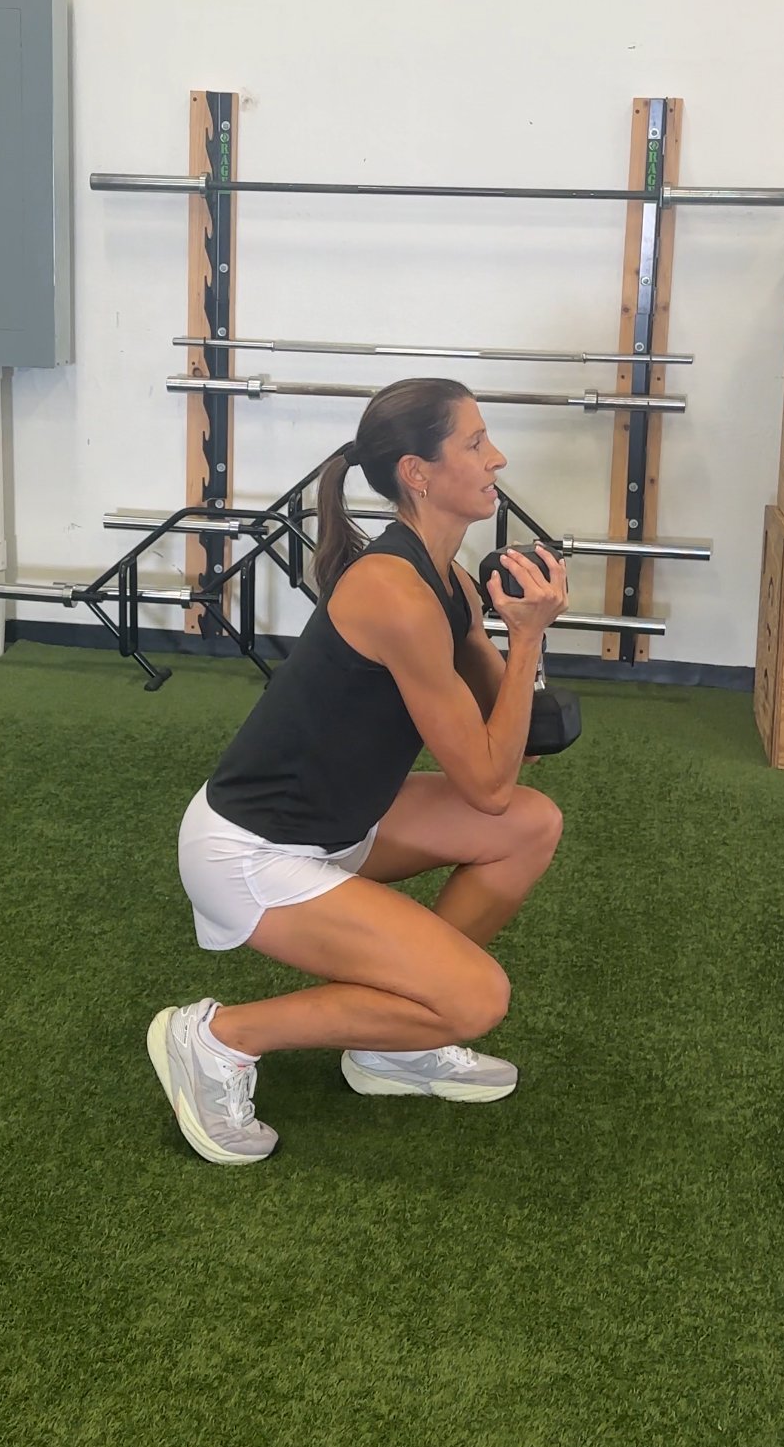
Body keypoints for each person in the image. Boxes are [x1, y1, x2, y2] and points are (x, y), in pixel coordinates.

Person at [148, 378, 569, 1165]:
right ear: (417, 471)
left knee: (530, 826)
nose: (496, 458)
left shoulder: (451, 581)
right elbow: (485, 780)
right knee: (477, 998)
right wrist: (531, 640)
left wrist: (517, 640)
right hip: (253, 853)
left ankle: (394, 1044)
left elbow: (516, 751)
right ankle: (218, 1038)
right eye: (475, 444)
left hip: (342, 824)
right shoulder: (393, 593)